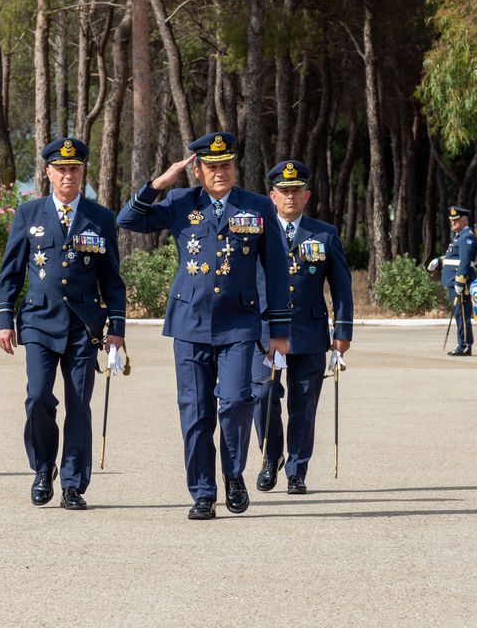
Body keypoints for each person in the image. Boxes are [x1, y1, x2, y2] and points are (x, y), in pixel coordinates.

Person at [117, 131, 291, 520]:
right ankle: (202, 492)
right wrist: (160, 183)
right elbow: (127, 219)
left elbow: (277, 273)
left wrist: (278, 332)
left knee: (235, 402)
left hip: (239, 325)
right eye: (211, 167)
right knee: (195, 412)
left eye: (226, 165)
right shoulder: (180, 202)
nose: (220, 173)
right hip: (190, 322)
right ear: (197, 169)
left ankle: (233, 474)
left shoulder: (259, 207)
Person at [0, 137, 126, 511]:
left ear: (83, 172)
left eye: (75, 169)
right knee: (37, 397)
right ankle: (42, 468)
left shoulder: (100, 218)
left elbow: (112, 279)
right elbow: (10, 272)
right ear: (49, 173)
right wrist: (5, 319)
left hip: (85, 327)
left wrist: (116, 328)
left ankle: (72, 484)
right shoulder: (29, 214)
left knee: (79, 405)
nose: (68, 175)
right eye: (61, 169)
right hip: (38, 321)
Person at [251, 160, 353, 495]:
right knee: (263, 394)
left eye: (296, 191)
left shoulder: (324, 234)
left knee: (304, 403)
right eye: (284, 191)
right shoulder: (258, 232)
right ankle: (272, 457)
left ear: (307, 195)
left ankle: (297, 469)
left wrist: (342, 333)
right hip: (266, 332)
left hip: (308, 332)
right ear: (272, 196)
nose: (290, 196)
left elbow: (341, 287)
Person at [442, 206, 477, 356]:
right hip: (453, 281)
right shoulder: (460, 236)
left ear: (464, 220)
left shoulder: (466, 237)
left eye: (456, 220)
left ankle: (465, 345)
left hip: (460, 283)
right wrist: (440, 260)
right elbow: (455, 258)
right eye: (452, 220)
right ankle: (461, 343)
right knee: (459, 314)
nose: (453, 223)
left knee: (462, 314)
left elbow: (465, 260)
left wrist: (460, 281)